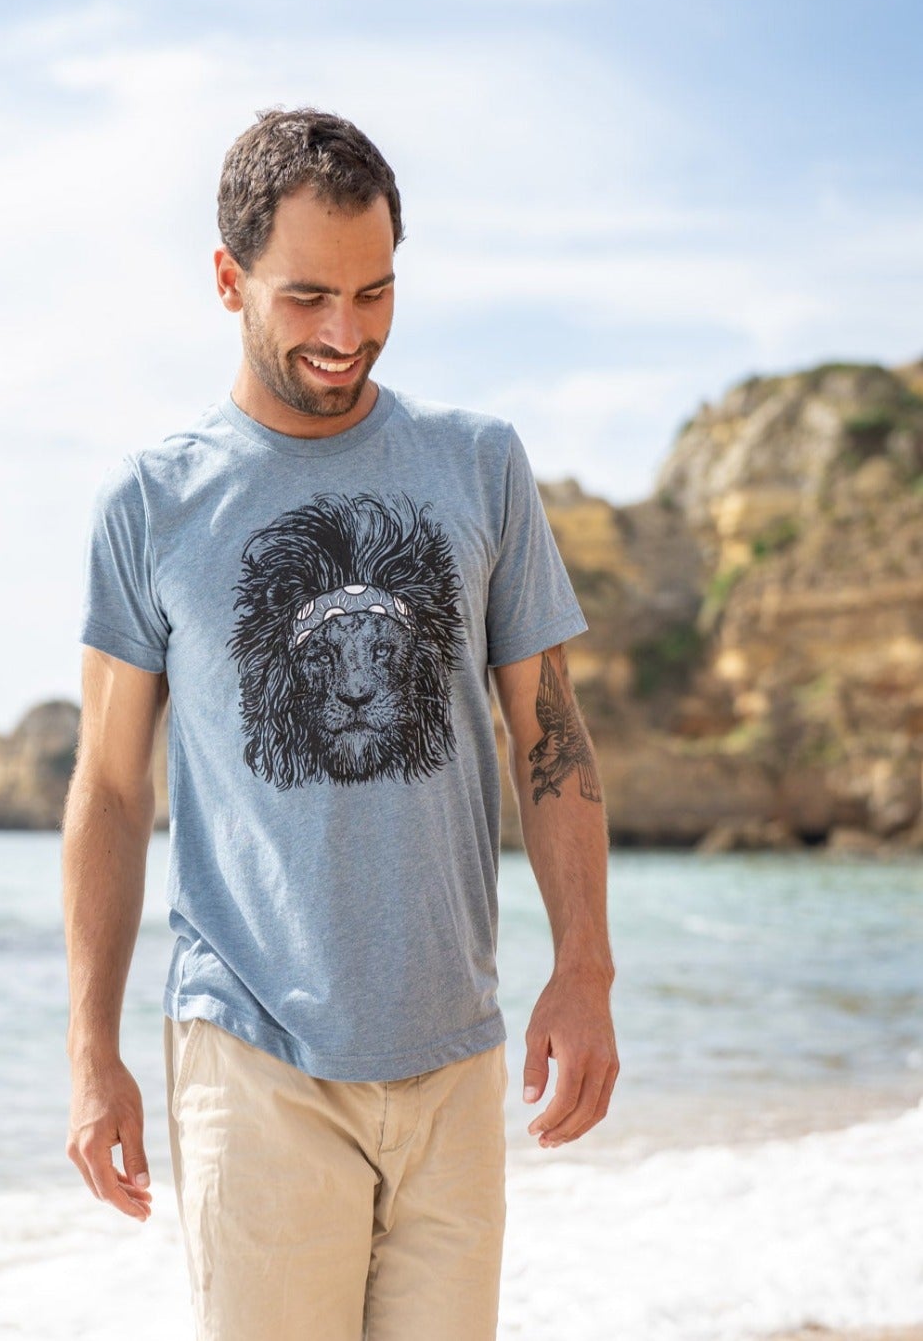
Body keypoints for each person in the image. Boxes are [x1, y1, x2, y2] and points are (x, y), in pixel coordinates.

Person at [62, 106, 617, 1340]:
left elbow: (551, 739)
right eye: (308, 297)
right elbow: (108, 786)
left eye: (374, 295)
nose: (344, 334)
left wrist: (585, 968)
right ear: (228, 280)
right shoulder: (153, 504)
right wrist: (91, 1051)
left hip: (452, 1054)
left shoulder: (478, 466)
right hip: (251, 1049)